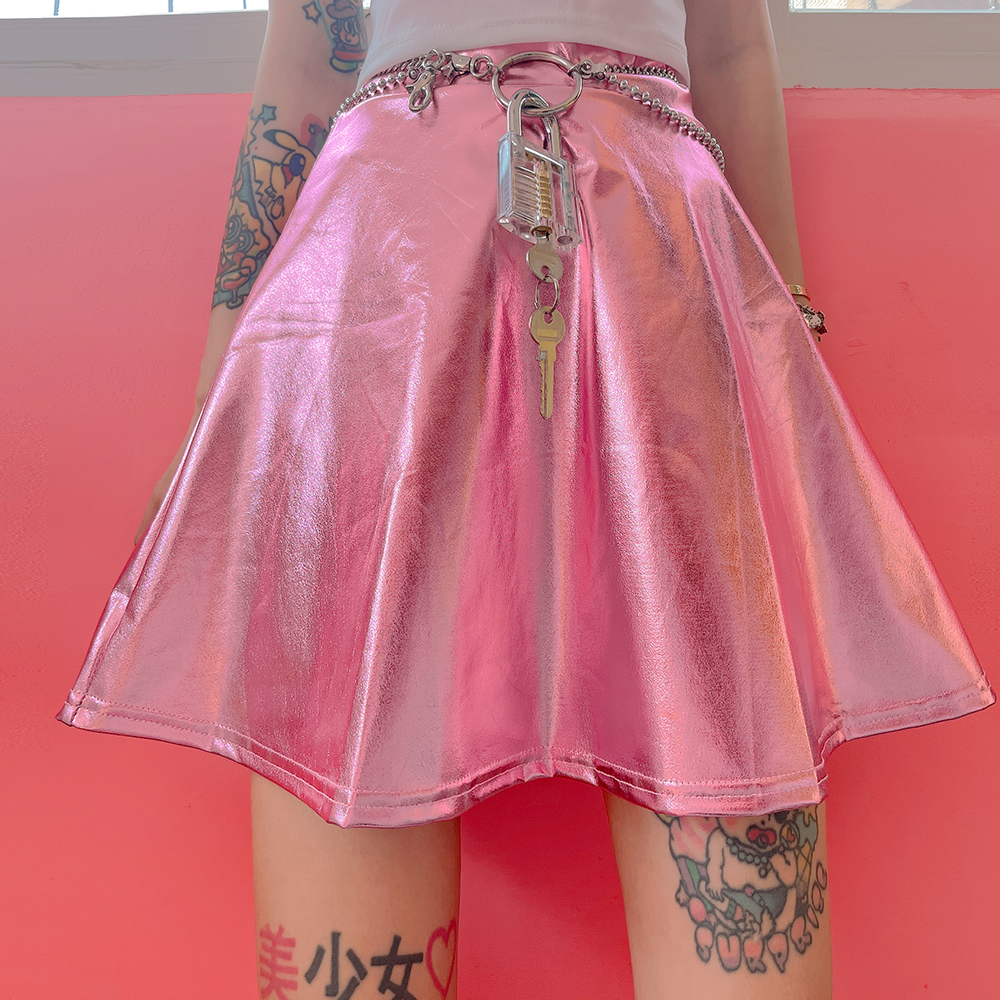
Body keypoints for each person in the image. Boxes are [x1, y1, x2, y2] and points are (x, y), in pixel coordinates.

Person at [59, 2, 993, 998]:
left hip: (659, 253)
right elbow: (306, 59)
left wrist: (783, 342)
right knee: (339, 729)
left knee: (729, 731)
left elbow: (727, 43)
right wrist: (215, 410)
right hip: (377, 271)